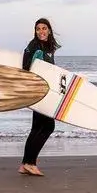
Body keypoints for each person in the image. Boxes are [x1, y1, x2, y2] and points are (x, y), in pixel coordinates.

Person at [19, 17, 61, 176]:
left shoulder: (45, 47)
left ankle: (25, 164)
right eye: (38, 29)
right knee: (48, 126)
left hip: (40, 91)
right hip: (39, 92)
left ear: (49, 30)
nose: (41, 31)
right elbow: (30, 69)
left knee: (37, 127)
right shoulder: (36, 47)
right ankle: (30, 162)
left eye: (44, 28)